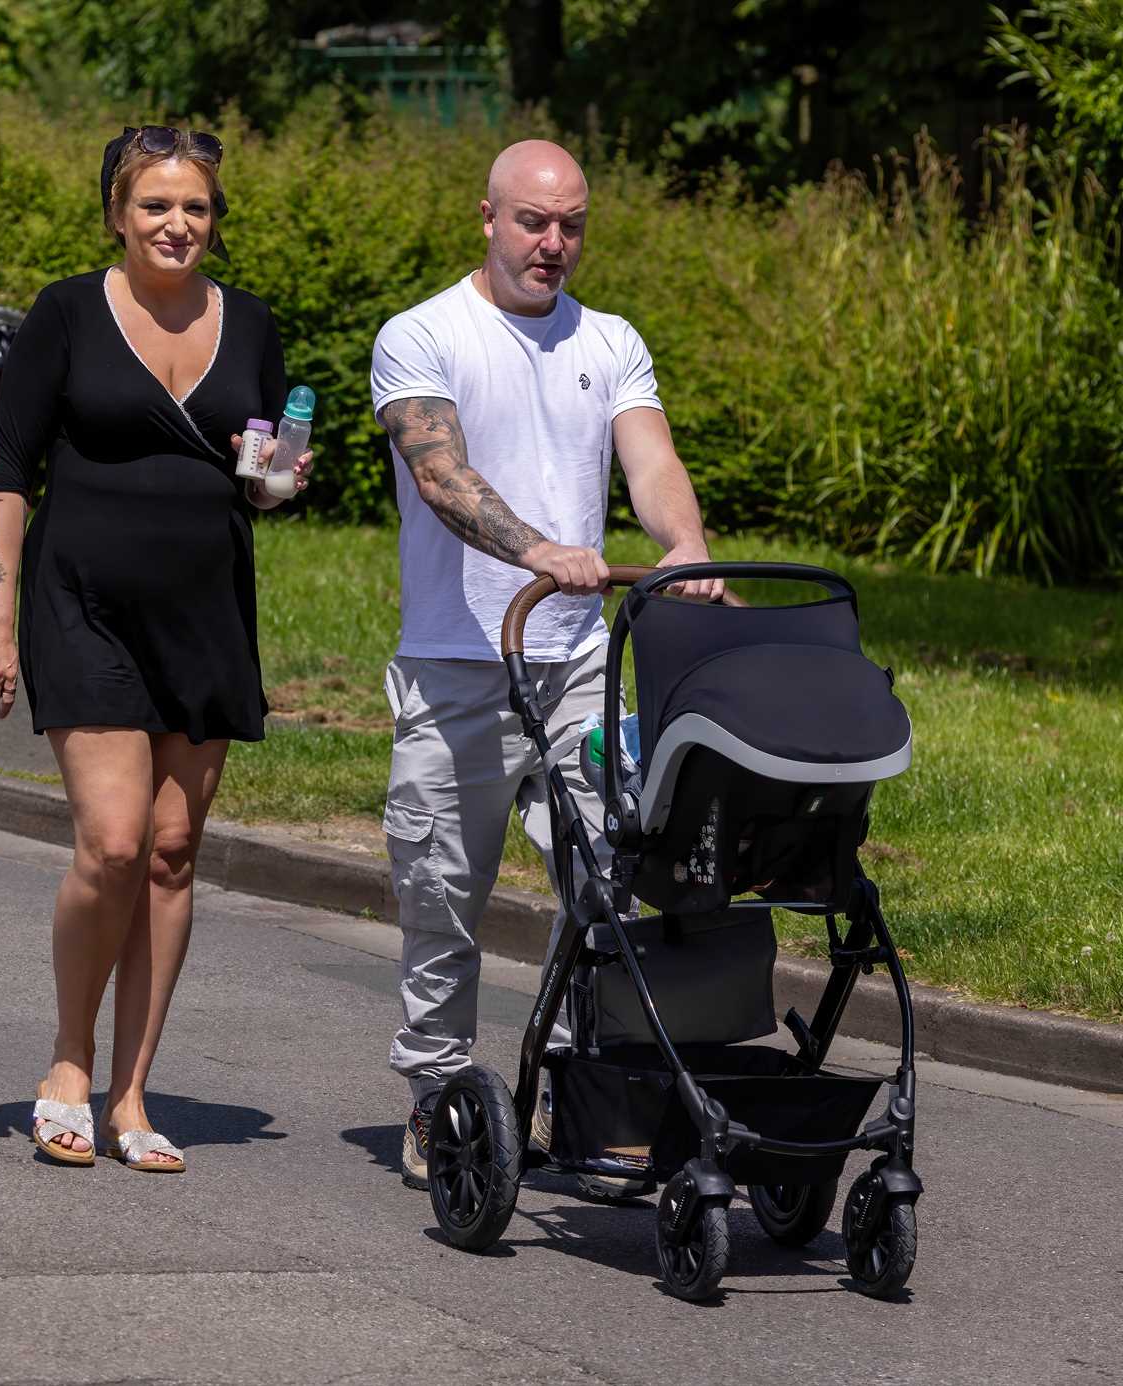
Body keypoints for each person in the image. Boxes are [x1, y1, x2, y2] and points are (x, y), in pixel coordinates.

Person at [370, 139, 725, 1191]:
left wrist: (684, 546)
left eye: (570, 223)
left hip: (576, 666)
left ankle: (590, 1091)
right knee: (440, 892)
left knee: (609, 881)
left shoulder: (608, 339)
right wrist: (536, 551)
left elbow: (648, 456)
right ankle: (437, 1097)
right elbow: (440, 474)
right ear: (486, 217)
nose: (553, 243)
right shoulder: (422, 334)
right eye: (533, 222)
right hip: (456, 663)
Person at [0, 126, 311, 1171]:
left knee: (171, 853)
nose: (177, 224)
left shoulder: (249, 324)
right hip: (82, 602)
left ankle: (129, 1097)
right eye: (156, 205)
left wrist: (283, 478)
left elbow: (274, 468)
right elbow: (10, 468)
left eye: (195, 207)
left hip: (204, 612)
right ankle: (67, 1064)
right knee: (113, 842)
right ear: (117, 213)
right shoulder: (68, 313)